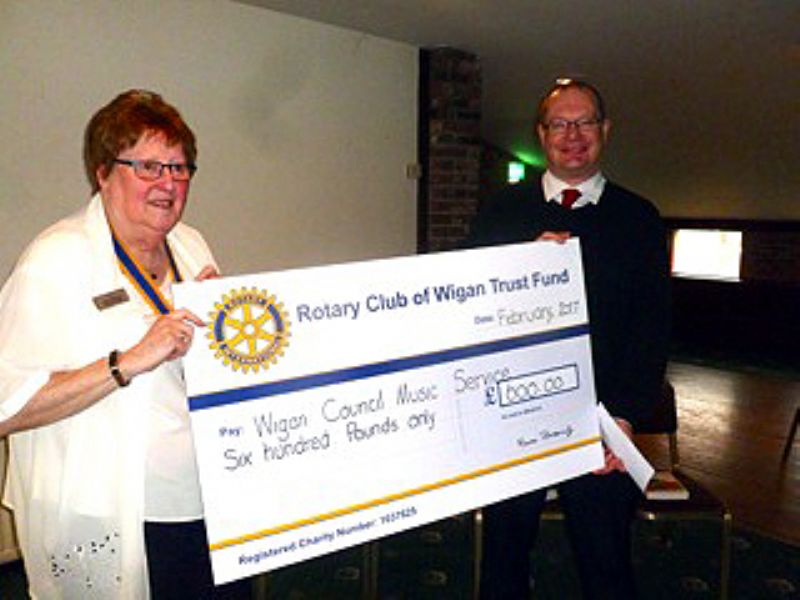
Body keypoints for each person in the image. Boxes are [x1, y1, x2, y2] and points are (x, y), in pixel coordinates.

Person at [0, 90, 249, 598]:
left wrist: (229, 332)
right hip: (112, 511)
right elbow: (6, 407)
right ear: (102, 172)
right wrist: (127, 362)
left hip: (207, 503)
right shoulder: (56, 259)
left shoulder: (190, 243)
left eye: (181, 169)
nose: (169, 184)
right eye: (149, 167)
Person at [466, 79, 670, 599]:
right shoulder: (500, 214)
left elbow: (652, 328)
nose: (572, 135)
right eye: (560, 123)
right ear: (541, 134)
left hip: (600, 423)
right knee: (504, 556)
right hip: (513, 419)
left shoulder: (640, 218)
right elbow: (470, 308)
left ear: (605, 130)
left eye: (584, 122)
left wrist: (623, 416)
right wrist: (521, 265)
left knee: (605, 561)